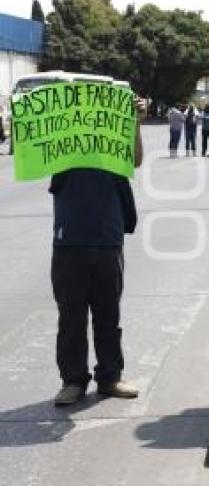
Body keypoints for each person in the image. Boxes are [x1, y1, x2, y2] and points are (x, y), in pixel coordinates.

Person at [51, 99, 146, 406]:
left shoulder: (113, 143)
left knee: (108, 313)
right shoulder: (61, 141)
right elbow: (35, 151)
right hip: (69, 241)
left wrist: (134, 121)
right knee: (71, 316)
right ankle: (72, 381)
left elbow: (136, 158)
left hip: (107, 237)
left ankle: (110, 377)